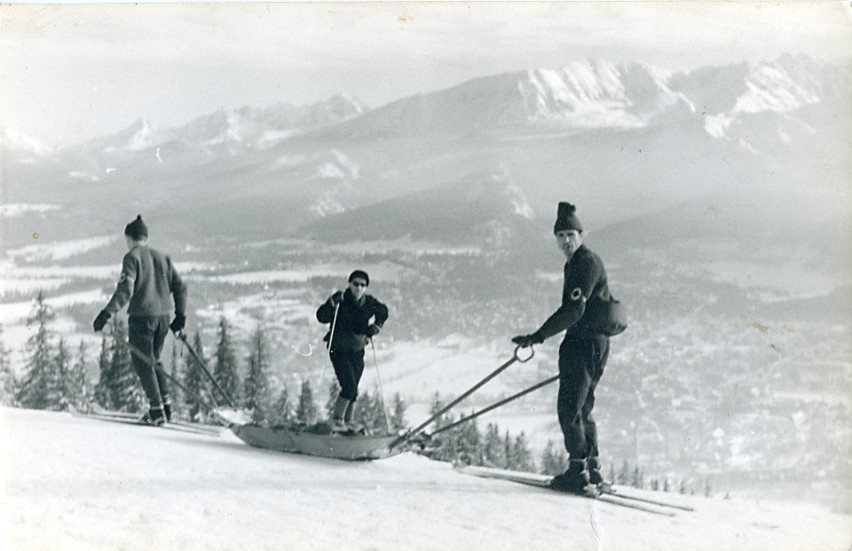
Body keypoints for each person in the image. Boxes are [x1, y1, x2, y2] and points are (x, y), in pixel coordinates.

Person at [512, 202, 622, 495]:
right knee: (583, 408)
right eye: (560, 235)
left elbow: (574, 310)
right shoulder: (578, 262)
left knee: (569, 408)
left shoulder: (585, 263)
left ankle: (578, 472)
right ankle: (592, 470)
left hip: (583, 343)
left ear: (581, 234)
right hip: (594, 343)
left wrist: (538, 336)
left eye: (570, 234)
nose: (565, 241)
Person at [93, 215, 187, 426]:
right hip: (163, 318)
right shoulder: (163, 257)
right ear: (146, 237)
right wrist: (180, 316)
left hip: (142, 319)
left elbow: (126, 290)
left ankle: (156, 411)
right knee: (154, 359)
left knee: (143, 363)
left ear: (129, 238)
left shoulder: (132, 257)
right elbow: (180, 287)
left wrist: (106, 313)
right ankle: (166, 407)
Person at [316, 270, 389, 431]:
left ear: (366, 287)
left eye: (363, 285)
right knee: (349, 386)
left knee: (353, 388)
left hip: (357, 349)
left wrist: (376, 327)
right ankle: (338, 420)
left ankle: (347, 423)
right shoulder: (341, 299)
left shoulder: (369, 302)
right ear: (349, 284)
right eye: (355, 284)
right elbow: (321, 316)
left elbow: (383, 311)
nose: (359, 288)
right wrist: (331, 303)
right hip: (339, 348)